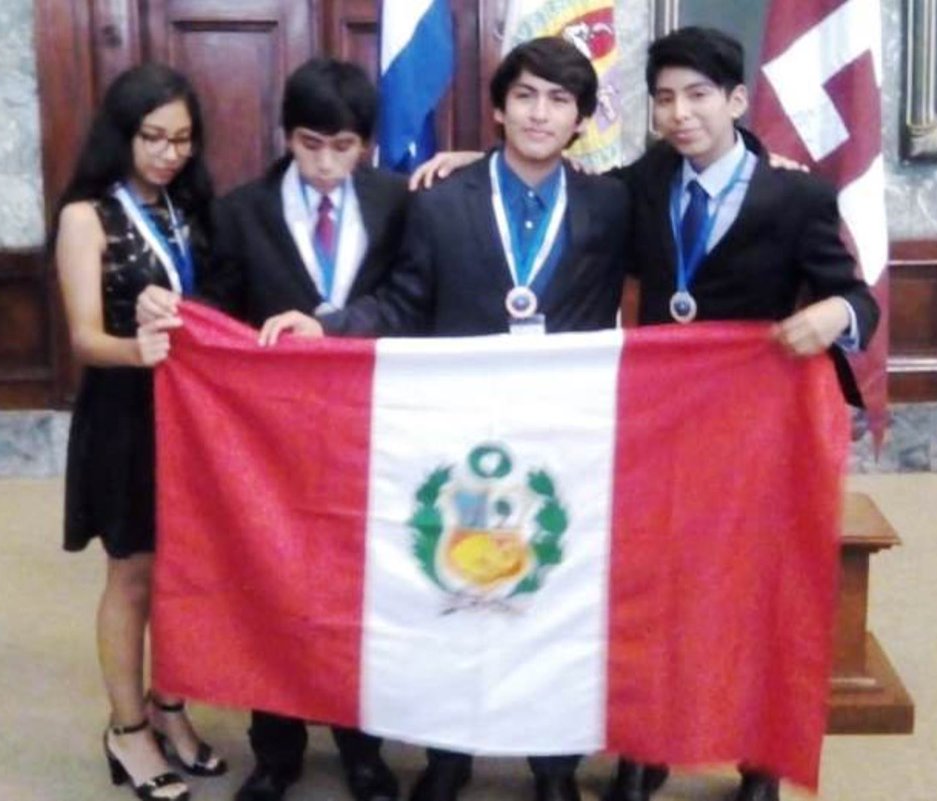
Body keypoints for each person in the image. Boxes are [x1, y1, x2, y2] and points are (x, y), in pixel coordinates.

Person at [406, 25, 879, 801]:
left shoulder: (796, 195)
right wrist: (473, 162)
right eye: (665, 99)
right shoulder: (647, 182)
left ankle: (757, 758)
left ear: (736, 100)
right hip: (661, 423)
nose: (681, 113)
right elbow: (551, 178)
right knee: (653, 586)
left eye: (698, 96)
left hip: (755, 427)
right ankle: (646, 747)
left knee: (751, 587)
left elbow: (856, 295)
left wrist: (837, 313)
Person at [259, 38, 630, 801]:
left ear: (581, 119)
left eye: (559, 100)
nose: (539, 113)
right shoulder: (439, 201)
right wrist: (325, 326)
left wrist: (772, 156)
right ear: (497, 108)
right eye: (524, 96)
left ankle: (552, 765)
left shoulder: (611, 204)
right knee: (457, 593)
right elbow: (401, 304)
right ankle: (448, 755)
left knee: (552, 597)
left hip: (566, 436)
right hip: (462, 432)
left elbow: (701, 170)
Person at [134, 57, 409, 801]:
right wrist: (173, 313)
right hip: (270, 437)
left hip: (367, 427)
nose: (326, 164)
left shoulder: (395, 201)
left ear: (367, 145)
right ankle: (276, 749)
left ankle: (362, 748)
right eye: (311, 144)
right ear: (287, 135)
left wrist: (334, 328)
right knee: (271, 579)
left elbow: (407, 298)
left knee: (359, 585)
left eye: (343, 147)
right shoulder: (241, 211)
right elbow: (218, 309)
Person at [53, 63, 226, 801]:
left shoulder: (194, 207)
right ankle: (126, 729)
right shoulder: (86, 216)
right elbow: (84, 338)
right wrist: (137, 348)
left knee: (186, 574)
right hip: (125, 413)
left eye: (182, 139)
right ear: (122, 135)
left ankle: (169, 706)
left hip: (196, 416)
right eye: (153, 137)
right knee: (132, 574)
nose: (168, 153)